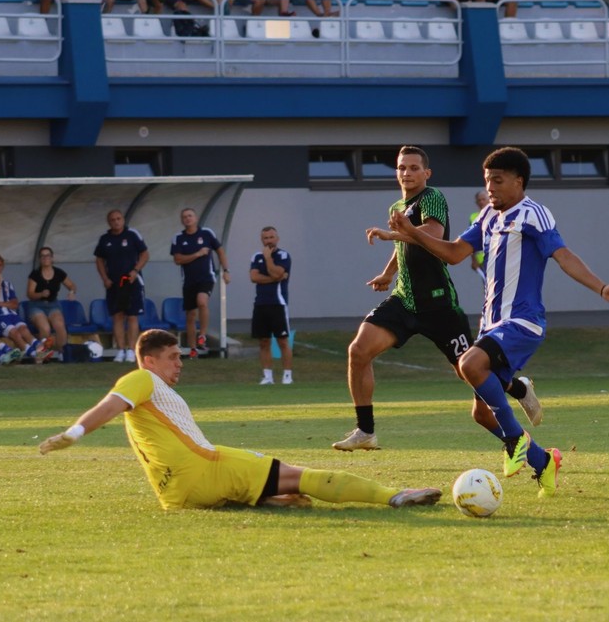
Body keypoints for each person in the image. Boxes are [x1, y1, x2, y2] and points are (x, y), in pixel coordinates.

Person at [386, 146, 609, 497]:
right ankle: (545, 462)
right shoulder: (486, 217)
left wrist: (601, 287)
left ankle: (515, 439)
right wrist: (412, 232)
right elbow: (454, 254)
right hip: (491, 323)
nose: (491, 189)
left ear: (519, 181)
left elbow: (563, 255)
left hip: (522, 321)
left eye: (498, 181)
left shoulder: (534, 214)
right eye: (487, 182)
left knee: (469, 363)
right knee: (482, 414)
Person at [39, 329, 442, 512]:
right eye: (174, 356)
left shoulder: (151, 395)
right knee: (305, 476)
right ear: (150, 359)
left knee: (276, 489)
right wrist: (74, 433)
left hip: (176, 497)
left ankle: (265, 498)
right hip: (206, 467)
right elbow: (110, 405)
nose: (180, 362)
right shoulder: (141, 378)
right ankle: (394, 495)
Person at [332, 146, 541, 452]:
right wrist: (389, 273)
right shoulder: (398, 206)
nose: (407, 173)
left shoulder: (432, 197)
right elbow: (406, 246)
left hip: (438, 305)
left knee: (472, 377)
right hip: (405, 299)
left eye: (414, 167)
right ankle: (366, 430)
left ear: (426, 173)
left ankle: (517, 393)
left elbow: (432, 233)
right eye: (402, 167)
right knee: (359, 350)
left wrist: (394, 234)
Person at [170, 207, 230, 359]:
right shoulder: (178, 238)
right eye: (184, 217)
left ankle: (202, 335)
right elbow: (178, 260)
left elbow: (220, 251)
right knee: (190, 314)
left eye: (190, 215)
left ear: (195, 218)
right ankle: (192, 348)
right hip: (189, 280)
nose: (188, 219)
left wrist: (226, 270)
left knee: (202, 302)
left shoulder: (207, 233)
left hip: (206, 277)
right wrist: (197, 254)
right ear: (182, 220)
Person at [95, 209, 149, 363]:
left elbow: (145, 254)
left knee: (132, 316)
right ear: (109, 222)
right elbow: (99, 259)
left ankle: (132, 350)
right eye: (113, 219)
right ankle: (120, 350)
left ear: (123, 220)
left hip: (131, 281)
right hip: (113, 283)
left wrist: (135, 270)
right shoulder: (105, 239)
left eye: (119, 218)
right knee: (117, 316)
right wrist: (104, 278)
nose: (116, 221)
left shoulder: (132, 235)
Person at [0, 254, 54, 364]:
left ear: (3, 266)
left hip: (12, 315)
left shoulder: (8, 284)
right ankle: (35, 355)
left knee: (24, 330)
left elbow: (15, 304)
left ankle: (41, 348)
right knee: (15, 332)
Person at [249, 226, 293, 385]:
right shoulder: (256, 256)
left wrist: (268, 259)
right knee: (264, 341)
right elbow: (254, 277)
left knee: (282, 341)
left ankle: (287, 376)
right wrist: (275, 278)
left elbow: (278, 272)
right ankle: (267, 376)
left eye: (271, 237)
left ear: (277, 238)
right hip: (260, 303)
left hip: (278, 303)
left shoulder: (283, 255)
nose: (268, 241)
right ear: (262, 239)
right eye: (265, 238)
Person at [27, 246, 77, 358]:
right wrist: (40, 294)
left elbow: (72, 285)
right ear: (40, 259)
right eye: (43, 256)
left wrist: (72, 292)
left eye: (48, 255)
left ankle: (62, 353)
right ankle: (42, 355)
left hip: (53, 304)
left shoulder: (59, 273)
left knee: (60, 325)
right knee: (45, 328)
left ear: (52, 258)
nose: (45, 258)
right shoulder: (35, 274)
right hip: (37, 305)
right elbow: (30, 294)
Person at [469, 189, 489, 285]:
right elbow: (471, 239)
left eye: (483, 199)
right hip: (481, 260)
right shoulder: (474, 217)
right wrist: (473, 260)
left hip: (496, 257)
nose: (481, 202)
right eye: (479, 200)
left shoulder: (497, 215)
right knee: (487, 289)